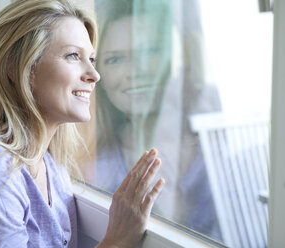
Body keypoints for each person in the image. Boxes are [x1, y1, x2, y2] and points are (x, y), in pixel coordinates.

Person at [0, 0, 165, 247]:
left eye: (91, 58)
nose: (94, 74)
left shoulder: (50, 165)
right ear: (17, 68)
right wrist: (117, 240)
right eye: (73, 56)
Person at [92, 0, 222, 241]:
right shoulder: (93, 166)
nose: (134, 71)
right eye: (115, 60)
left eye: (149, 52)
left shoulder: (218, 150)